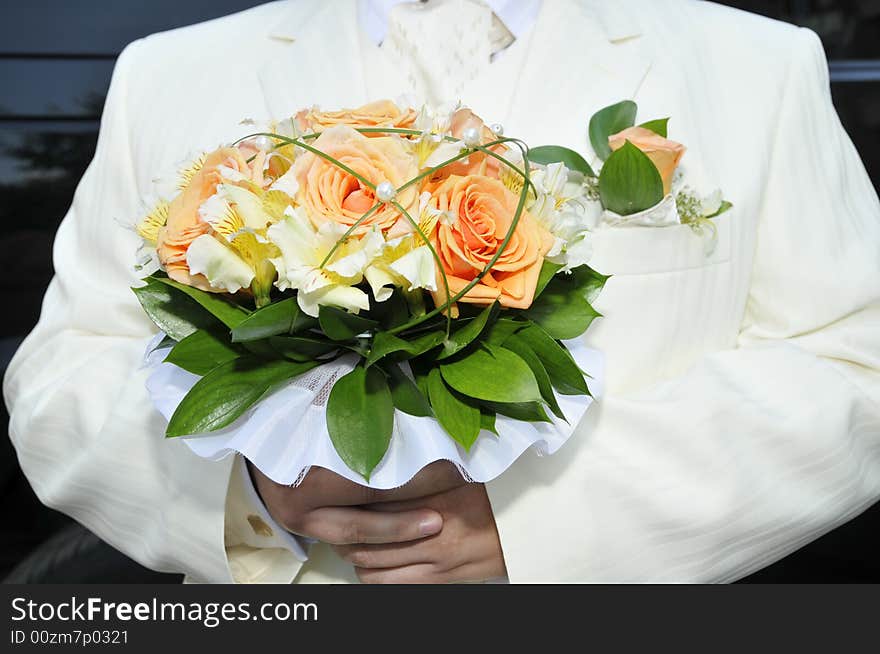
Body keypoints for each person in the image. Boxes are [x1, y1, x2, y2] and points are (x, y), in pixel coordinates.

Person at [5, 0, 880, 584]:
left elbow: (857, 364)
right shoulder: (168, 71)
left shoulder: (756, 65)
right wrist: (250, 490)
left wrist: (537, 528)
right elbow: (64, 375)